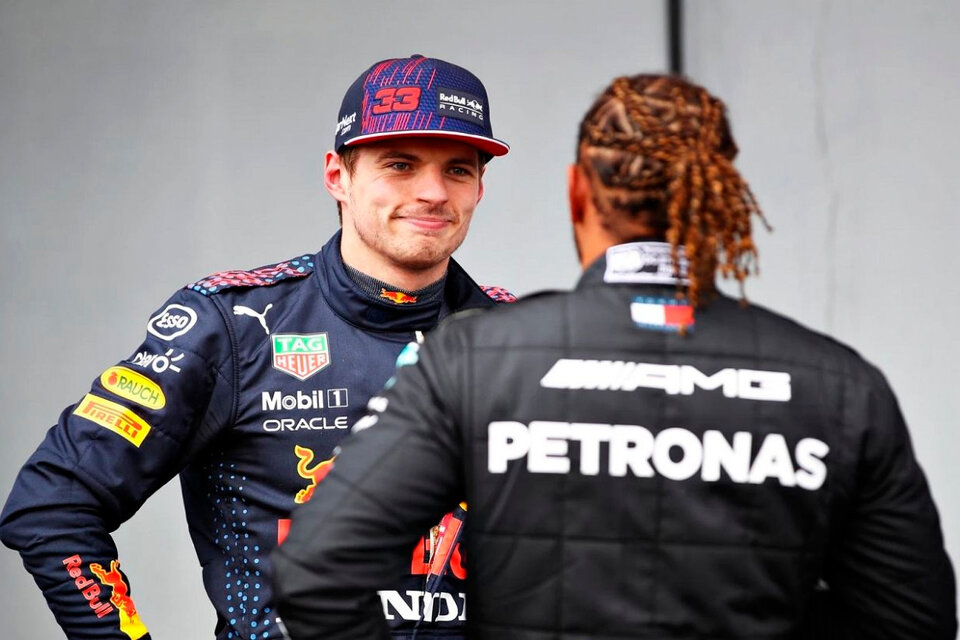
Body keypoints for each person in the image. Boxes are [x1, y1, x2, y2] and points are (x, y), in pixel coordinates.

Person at [269, 74, 957, 639]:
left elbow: (316, 572)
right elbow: (913, 622)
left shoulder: (476, 358)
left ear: (577, 194)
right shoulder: (838, 386)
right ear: (720, 198)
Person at [0, 54, 515, 640]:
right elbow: (51, 503)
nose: (432, 192)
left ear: (479, 186)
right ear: (337, 176)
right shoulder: (232, 324)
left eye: (458, 170)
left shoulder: (524, 339)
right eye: (399, 164)